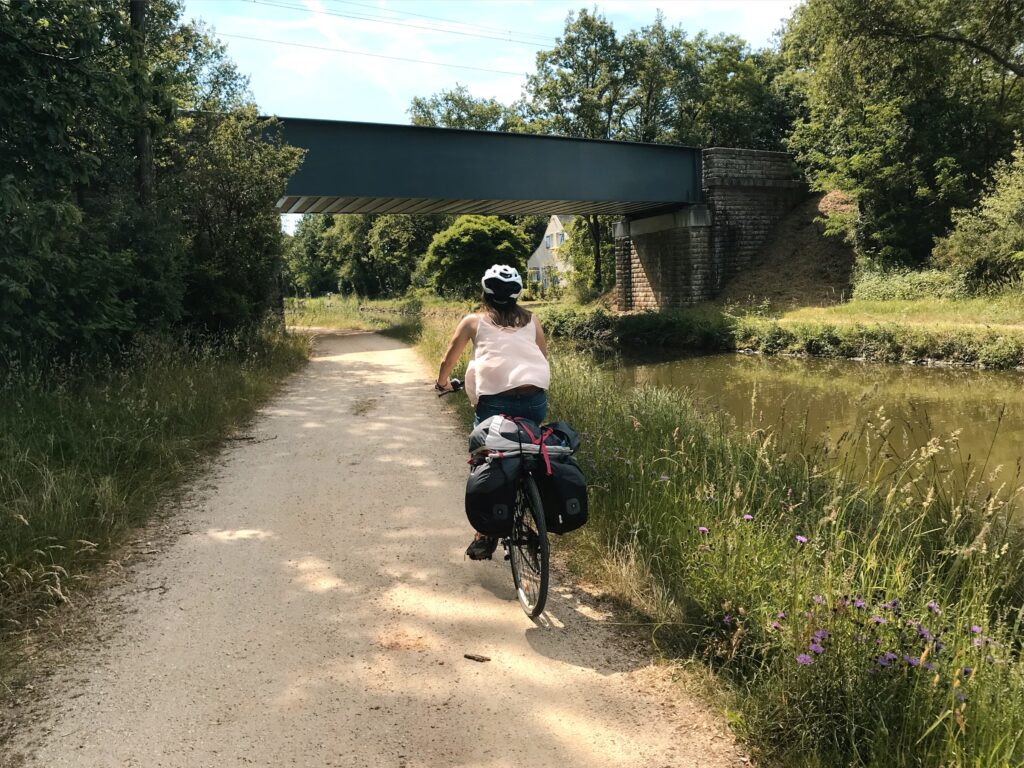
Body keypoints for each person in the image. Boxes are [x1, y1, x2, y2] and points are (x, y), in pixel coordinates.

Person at [434, 264, 550, 560]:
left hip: (494, 405)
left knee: (484, 458)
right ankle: (533, 500)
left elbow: (449, 357)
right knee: (527, 446)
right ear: (516, 294)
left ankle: (486, 533)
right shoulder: (532, 320)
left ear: (485, 292)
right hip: (535, 400)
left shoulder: (473, 321)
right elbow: (542, 356)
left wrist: (442, 383)